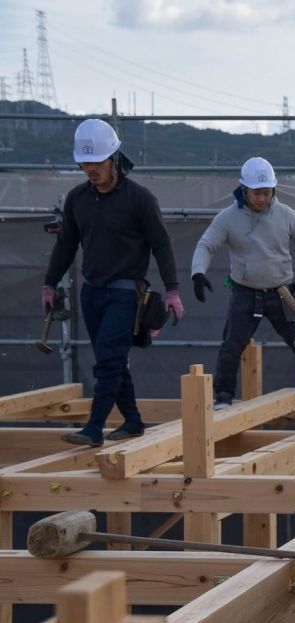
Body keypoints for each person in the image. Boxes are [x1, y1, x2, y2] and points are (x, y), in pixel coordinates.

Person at [43, 118, 184, 446]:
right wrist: (49, 284)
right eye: (85, 163)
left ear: (113, 159)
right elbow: (66, 243)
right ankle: (133, 421)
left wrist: (173, 290)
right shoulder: (77, 199)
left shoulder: (139, 198)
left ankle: (94, 429)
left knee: (107, 359)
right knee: (114, 360)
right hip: (92, 293)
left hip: (125, 294)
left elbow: (161, 244)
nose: (90, 169)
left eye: (97, 162)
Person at [190, 156, 295, 408]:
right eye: (256, 193)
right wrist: (198, 272)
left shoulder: (285, 214)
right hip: (246, 292)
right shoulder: (228, 217)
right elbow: (206, 244)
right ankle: (223, 397)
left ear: (273, 190)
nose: (262, 198)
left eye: (266, 193)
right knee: (232, 345)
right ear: (244, 189)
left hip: (283, 292)